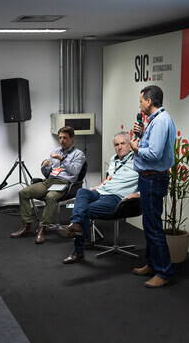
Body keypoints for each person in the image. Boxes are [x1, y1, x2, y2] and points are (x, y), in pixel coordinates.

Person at [58, 132, 140, 264]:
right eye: (116, 144)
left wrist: (139, 194)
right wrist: (99, 186)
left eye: (123, 143)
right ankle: (75, 224)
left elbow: (148, 180)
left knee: (85, 210)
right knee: (82, 192)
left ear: (130, 144)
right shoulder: (114, 159)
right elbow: (110, 178)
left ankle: (78, 251)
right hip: (102, 191)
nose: (119, 147)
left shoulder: (138, 159)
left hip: (115, 197)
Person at [130, 85, 177, 288]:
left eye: (141, 101)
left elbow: (154, 154)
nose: (140, 105)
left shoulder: (160, 121)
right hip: (150, 178)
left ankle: (164, 272)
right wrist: (141, 134)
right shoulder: (156, 120)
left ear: (149, 101)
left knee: (154, 226)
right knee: (149, 224)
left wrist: (135, 147)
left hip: (153, 179)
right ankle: (152, 264)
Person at [10, 126, 85, 244]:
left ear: (72, 138)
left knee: (50, 196)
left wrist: (62, 159)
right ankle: (27, 227)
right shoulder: (55, 151)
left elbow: (75, 171)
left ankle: (42, 229)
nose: (62, 140)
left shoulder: (78, 154)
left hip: (64, 184)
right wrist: (44, 166)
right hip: (49, 181)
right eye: (60, 138)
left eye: (65, 138)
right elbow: (47, 173)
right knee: (23, 193)